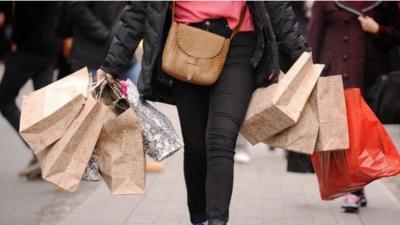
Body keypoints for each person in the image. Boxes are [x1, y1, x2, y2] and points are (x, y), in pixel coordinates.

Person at [98, 2, 308, 225]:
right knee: (196, 146)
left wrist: (301, 58)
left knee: (221, 140)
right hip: (186, 44)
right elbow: (140, 10)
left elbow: (277, 7)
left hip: (239, 45)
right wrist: (113, 64)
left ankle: (217, 221)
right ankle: (199, 219)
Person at [308, 1, 400, 213]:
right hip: (334, 74)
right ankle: (353, 189)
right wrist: (309, 73)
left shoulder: (384, 3)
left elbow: (396, 34)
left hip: (369, 77)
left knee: (360, 137)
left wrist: (378, 30)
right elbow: (314, 36)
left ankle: (355, 190)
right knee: (342, 138)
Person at [0, 2, 61, 179]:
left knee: (4, 100)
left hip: (27, 52)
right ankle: (47, 154)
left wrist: (13, 41)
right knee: (42, 106)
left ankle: (40, 150)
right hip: (49, 50)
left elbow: (24, 18)